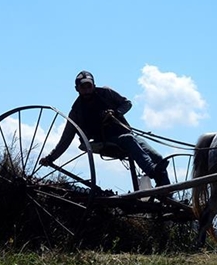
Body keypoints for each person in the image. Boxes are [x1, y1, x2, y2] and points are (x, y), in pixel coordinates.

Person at [39, 70, 170, 187]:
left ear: (93, 85)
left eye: (88, 86)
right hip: (104, 141)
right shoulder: (76, 111)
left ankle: (166, 194)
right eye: (82, 87)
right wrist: (51, 158)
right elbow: (66, 139)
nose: (86, 90)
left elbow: (127, 103)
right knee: (130, 140)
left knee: (158, 157)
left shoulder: (106, 93)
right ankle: (152, 171)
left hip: (125, 133)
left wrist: (116, 113)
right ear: (77, 89)